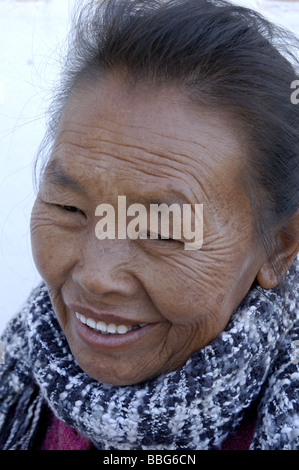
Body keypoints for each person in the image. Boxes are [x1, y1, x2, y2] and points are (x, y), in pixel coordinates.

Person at [0, 0, 298, 450]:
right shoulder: (18, 376)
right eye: (69, 208)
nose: (97, 277)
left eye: (161, 230)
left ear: (278, 247)